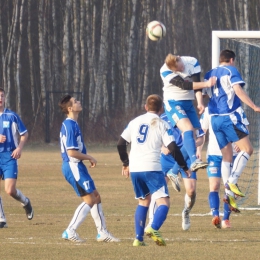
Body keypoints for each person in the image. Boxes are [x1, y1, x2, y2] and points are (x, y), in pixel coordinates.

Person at [117, 94, 191, 246]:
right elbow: (173, 148)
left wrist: (126, 163)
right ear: (161, 109)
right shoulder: (162, 124)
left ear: (146, 107)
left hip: (135, 168)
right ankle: (153, 228)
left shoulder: (134, 122)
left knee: (143, 201)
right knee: (164, 202)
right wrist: (184, 167)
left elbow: (120, 144)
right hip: (152, 168)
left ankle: (138, 239)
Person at [203, 49, 260, 212]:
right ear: (231, 60)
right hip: (229, 116)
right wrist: (254, 106)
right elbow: (238, 91)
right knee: (248, 149)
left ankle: (228, 193)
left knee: (227, 155)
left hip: (214, 119)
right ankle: (232, 182)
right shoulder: (231, 70)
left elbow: (206, 93)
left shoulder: (209, 73)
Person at [59, 95, 119, 243]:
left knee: (96, 196)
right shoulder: (70, 125)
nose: (79, 102)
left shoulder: (72, 123)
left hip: (77, 166)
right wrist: (89, 157)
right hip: (73, 166)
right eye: (76, 101)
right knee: (90, 199)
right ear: (70, 108)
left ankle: (102, 233)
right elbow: (71, 152)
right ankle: (70, 230)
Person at [145, 112, 205, 232]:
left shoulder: (189, 117)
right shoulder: (162, 118)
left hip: (185, 158)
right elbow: (154, 135)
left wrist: (191, 145)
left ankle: (186, 212)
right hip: (167, 158)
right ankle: (152, 222)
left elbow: (201, 137)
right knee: (158, 189)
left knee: (191, 191)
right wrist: (162, 147)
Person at [160, 54, 216, 173]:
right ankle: (194, 161)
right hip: (173, 103)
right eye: (176, 70)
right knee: (188, 129)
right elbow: (184, 85)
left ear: (179, 58)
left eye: (179, 67)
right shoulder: (165, 70)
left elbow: (196, 86)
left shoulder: (192, 62)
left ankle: (174, 171)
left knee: (196, 138)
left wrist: (200, 102)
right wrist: (206, 84)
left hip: (188, 103)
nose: (180, 70)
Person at [197, 107, 247, 228]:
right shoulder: (209, 110)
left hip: (232, 155)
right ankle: (215, 215)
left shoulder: (238, 109)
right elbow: (202, 132)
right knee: (214, 186)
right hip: (214, 154)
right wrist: (198, 150)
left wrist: (241, 143)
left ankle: (226, 219)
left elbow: (245, 128)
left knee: (228, 187)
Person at [0, 87, 33, 228]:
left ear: (5, 98)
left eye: (2, 96)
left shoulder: (12, 116)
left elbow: (24, 134)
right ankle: (2, 219)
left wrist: (19, 148)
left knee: (10, 190)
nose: (0, 98)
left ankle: (25, 202)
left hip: (9, 157)